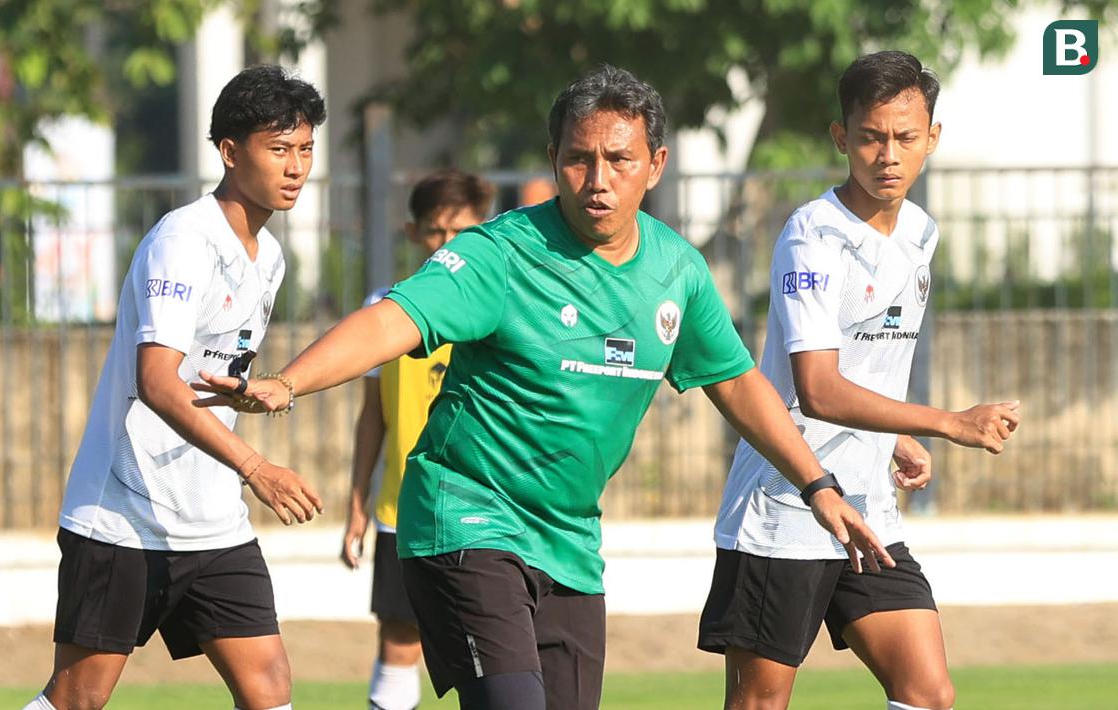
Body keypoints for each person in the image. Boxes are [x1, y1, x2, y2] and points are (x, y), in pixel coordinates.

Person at [199, 64, 893, 710]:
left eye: (618, 160)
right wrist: (288, 381)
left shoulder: (677, 271)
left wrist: (817, 484)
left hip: (567, 538)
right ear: (553, 158)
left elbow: (738, 386)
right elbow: (392, 320)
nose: (597, 179)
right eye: (577, 158)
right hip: (465, 516)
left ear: (655, 165)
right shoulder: (499, 253)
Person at [699, 51, 1021, 710]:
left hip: (867, 511)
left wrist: (894, 437)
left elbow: (865, 363)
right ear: (841, 137)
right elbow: (815, 388)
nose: (887, 156)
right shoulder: (811, 238)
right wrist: (945, 422)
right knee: (759, 704)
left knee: (926, 693)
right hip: (785, 507)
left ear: (931, 139)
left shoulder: (920, 233)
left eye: (905, 138)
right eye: (871, 137)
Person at [23, 65, 326, 710]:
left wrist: (246, 394)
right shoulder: (183, 241)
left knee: (269, 685)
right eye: (279, 149)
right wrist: (257, 468)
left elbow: (208, 371)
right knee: (79, 698)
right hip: (123, 517)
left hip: (213, 523)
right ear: (228, 151)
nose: (296, 166)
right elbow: (157, 382)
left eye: (304, 149)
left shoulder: (268, 257)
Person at [340, 169, 495, 710]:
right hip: (402, 509)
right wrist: (357, 502)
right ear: (413, 233)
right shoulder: (385, 309)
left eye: (461, 232)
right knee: (400, 641)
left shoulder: (496, 309)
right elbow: (372, 417)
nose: (447, 245)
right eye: (435, 232)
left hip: (485, 511)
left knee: (497, 655)